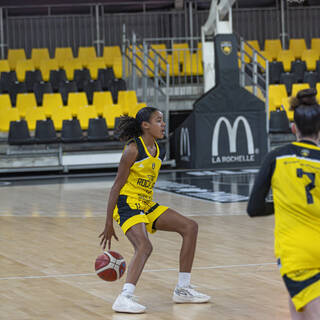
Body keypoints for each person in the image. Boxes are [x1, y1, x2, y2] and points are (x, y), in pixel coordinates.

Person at [99, 106, 210, 314]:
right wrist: (108, 223)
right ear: (145, 125)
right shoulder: (132, 150)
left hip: (145, 204)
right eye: (158, 120)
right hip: (127, 203)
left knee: (190, 227)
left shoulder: (160, 149)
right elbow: (116, 186)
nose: (163, 124)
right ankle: (124, 297)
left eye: (163, 120)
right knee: (145, 246)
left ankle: (183, 289)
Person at [247, 88, 320, 319]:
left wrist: (284, 203)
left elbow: (254, 208)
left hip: (296, 253)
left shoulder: (276, 157)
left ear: (293, 128)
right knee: (296, 306)